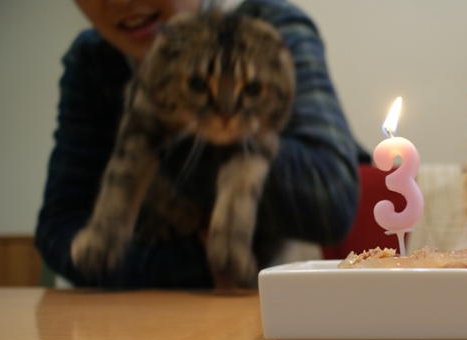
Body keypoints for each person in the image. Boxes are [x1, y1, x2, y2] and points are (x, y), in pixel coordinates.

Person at [35, 0, 363, 288]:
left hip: (264, 308)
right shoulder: (92, 60)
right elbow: (57, 231)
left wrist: (162, 129)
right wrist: (191, 264)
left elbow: (330, 203)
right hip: (134, 317)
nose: (121, 1)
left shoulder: (272, 28)